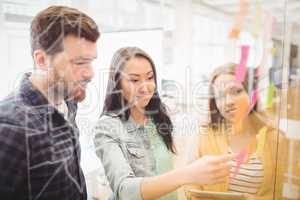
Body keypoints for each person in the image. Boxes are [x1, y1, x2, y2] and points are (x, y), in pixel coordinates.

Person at [93, 47, 233, 200]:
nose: (145, 87)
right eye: (134, 80)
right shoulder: (107, 127)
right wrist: (188, 174)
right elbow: (125, 190)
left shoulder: (160, 116)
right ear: (117, 83)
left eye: (150, 77)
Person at [0, 6, 99, 200]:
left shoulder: (68, 100)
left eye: (91, 61)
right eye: (79, 63)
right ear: (42, 59)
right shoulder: (10, 128)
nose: (90, 73)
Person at [184, 63, 288, 200]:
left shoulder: (274, 138)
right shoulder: (203, 135)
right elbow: (190, 188)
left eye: (236, 91)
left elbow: (277, 193)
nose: (228, 102)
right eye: (220, 96)